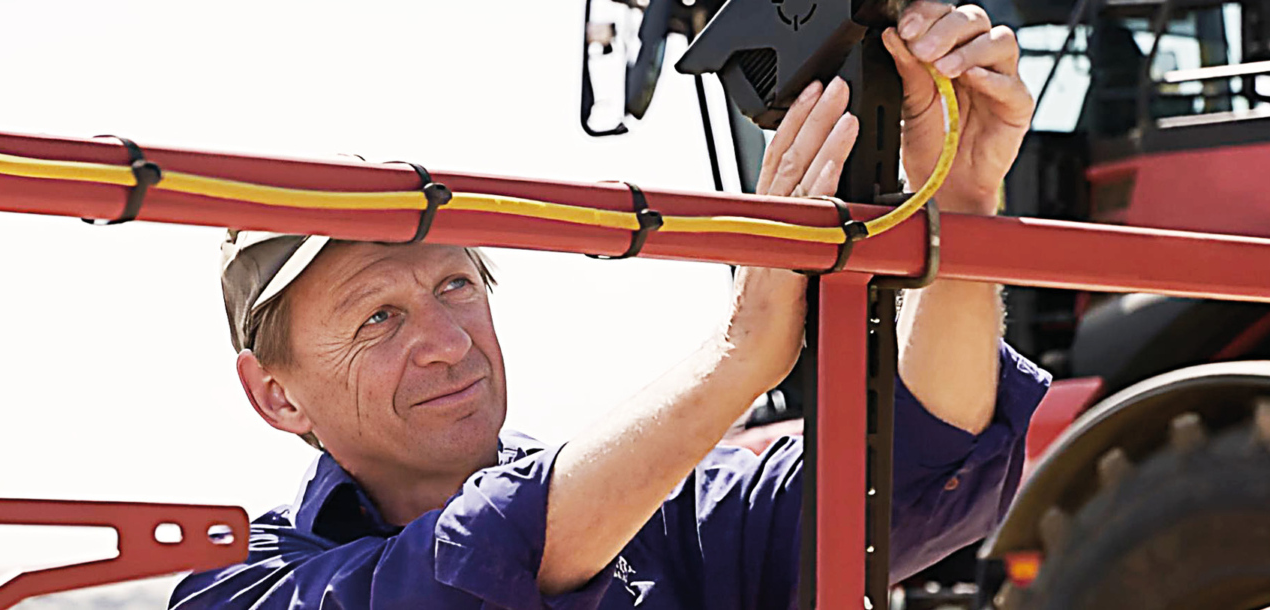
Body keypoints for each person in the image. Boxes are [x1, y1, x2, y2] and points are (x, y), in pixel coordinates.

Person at [170, 4, 1049, 608]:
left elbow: (928, 458)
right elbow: (463, 575)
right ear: (275, 394)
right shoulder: (241, 587)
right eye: (378, 318)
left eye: (455, 286)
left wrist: (964, 203)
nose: (447, 343)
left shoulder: (669, 509)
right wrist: (741, 354)